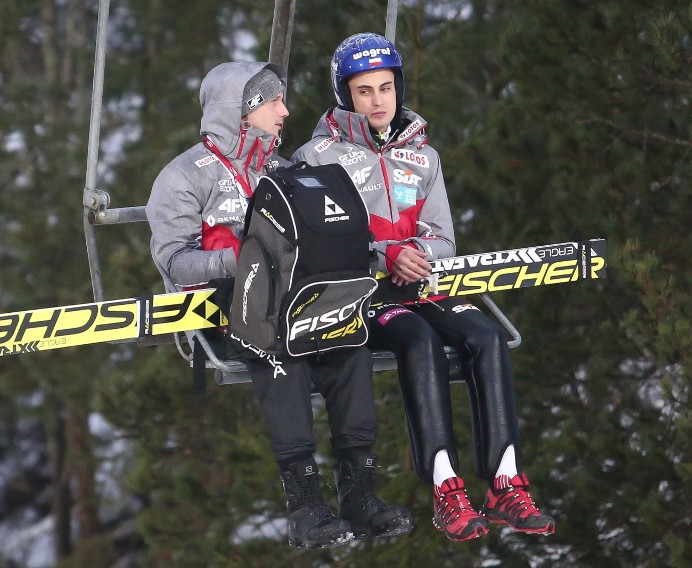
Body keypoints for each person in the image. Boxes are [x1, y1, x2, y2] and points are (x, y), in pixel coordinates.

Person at [293, 33, 556, 542]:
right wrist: (381, 252)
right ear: (345, 94)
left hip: (419, 282)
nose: (377, 100)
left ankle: (506, 484)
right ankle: (446, 489)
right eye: (364, 90)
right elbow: (316, 240)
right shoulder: (318, 155)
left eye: (386, 88)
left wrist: (417, 255)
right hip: (361, 294)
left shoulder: (423, 156)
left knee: (486, 336)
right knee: (419, 339)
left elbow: (443, 237)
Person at [146, 61, 413, 548]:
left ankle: (359, 493)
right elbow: (175, 262)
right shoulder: (184, 175)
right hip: (230, 311)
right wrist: (248, 260)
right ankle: (306, 506)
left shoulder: (286, 168)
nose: (285, 111)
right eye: (272, 101)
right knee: (280, 355)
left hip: (297, 304)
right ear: (241, 111)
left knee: (349, 347)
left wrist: (371, 252)